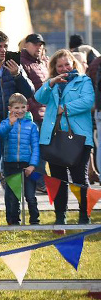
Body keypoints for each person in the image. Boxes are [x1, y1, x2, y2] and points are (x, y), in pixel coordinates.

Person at [35, 49, 95, 225]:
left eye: (67, 64)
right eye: (59, 66)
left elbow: (88, 101)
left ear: (73, 64)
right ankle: (60, 216)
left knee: (79, 179)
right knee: (58, 181)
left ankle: (85, 216)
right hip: (54, 138)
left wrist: (65, 108)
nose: (64, 68)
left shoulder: (84, 80)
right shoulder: (51, 83)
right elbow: (39, 97)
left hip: (78, 138)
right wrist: (51, 83)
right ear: (54, 67)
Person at [0, 93, 40, 225]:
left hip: (27, 165)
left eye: (23, 107)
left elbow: (35, 147)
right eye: (16, 108)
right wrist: (10, 124)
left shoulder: (32, 126)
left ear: (27, 107)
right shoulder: (5, 123)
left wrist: (32, 165)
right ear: (10, 108)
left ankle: (34, 220)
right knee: (12, 196)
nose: (20, 111)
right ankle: (13, 221)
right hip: (10, 164)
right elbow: (0, 135)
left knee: (30, 195)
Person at [19, 34, 48, 125]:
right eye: (35, 44)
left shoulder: (42, 63)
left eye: (40, 45)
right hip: (33, 117)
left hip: (46, 114)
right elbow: (23, 91)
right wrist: (35, 111)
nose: (39, 47)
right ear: (26, 45)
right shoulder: (21, 63)